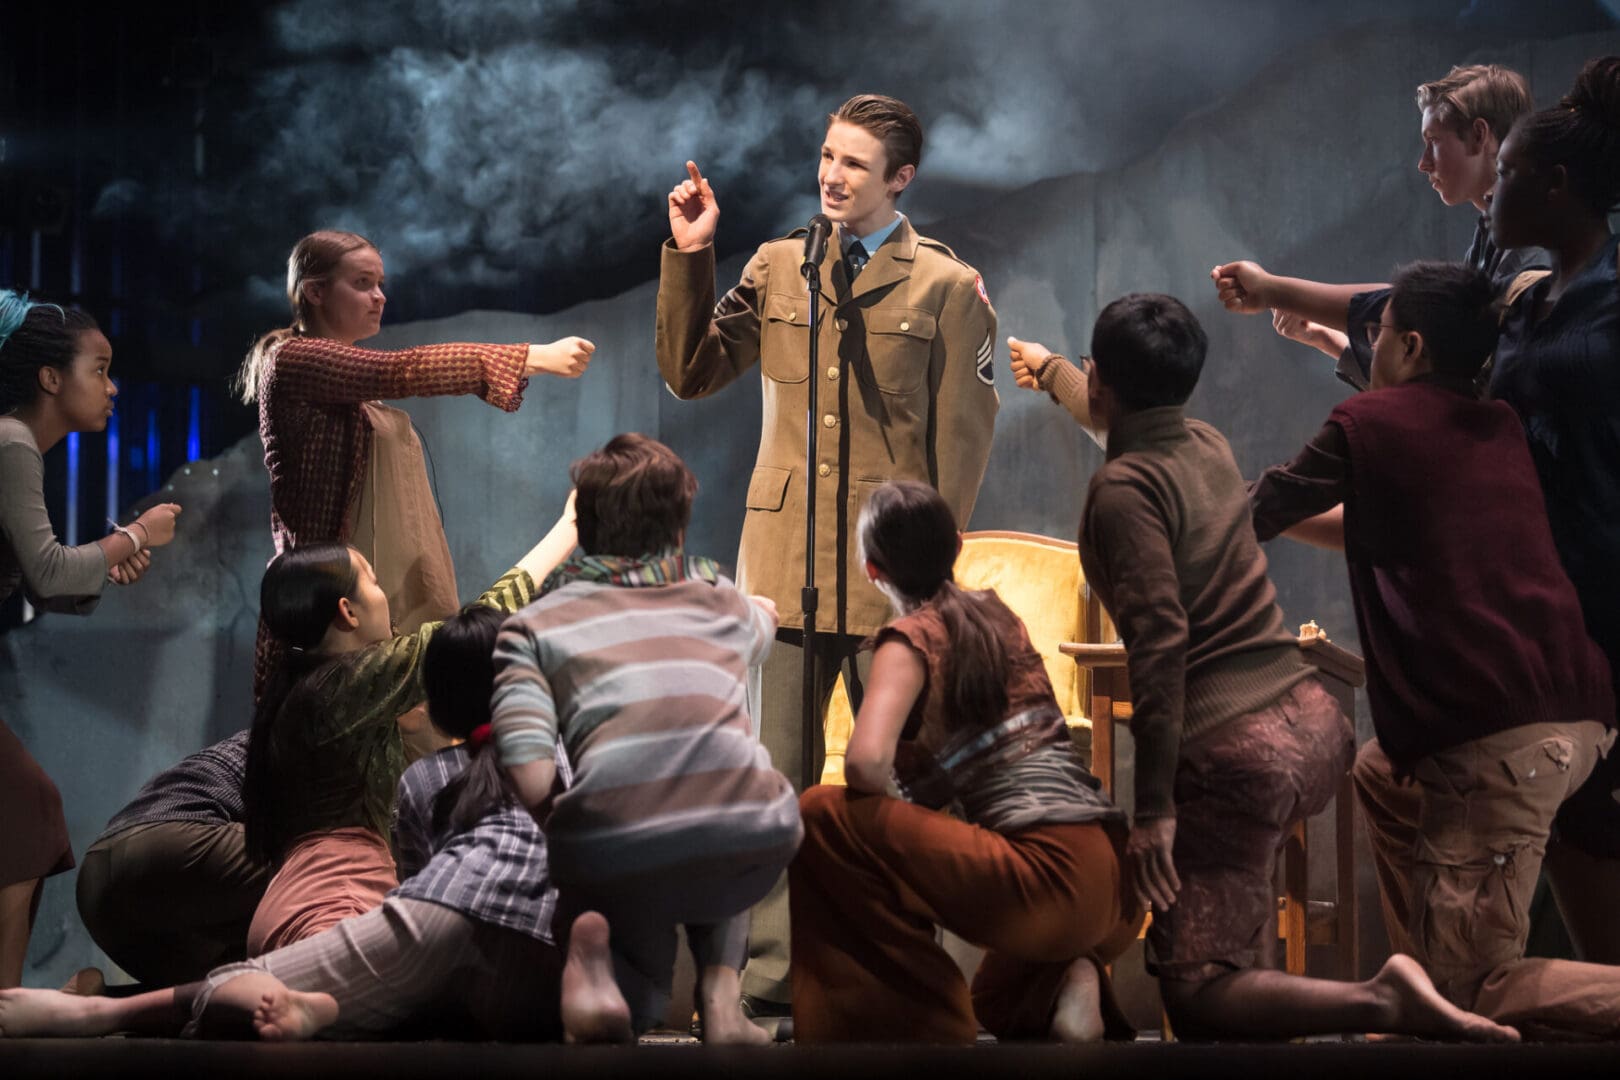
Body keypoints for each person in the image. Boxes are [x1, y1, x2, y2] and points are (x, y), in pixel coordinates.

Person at [1064, 292, 1517, 1041]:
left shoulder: (1122, 491)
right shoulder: (1205, 444)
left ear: (1099, 379)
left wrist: (1154, 813)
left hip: (1233, 755)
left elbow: (1161, 643)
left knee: (1200, 990)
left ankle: (1381, 1000)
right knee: (1236, 932)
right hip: (1308, 726)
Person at [657, 93, 999, 1025]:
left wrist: (928, 580)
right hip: (781, 570)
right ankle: (770, 982)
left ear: (901, 179)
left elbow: (962, 442)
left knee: (903, 793)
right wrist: (694, 255)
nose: (831, 176)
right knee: (774, 791)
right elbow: (690, 372)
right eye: (826, 157)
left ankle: (905, 977)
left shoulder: (943, 287)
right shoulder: (775, 268)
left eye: (853, 163)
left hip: (887, 582)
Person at [1249, 260, 1620, 1040]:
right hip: (1579, 720)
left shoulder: (1369, 427)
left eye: (1376, 336)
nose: (1369, 350)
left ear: (1411, 346)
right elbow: (1361, 518)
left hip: (1498, 745)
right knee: (1383, 776)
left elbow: (1262, 508)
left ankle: (1440, 997)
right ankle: (1429, 981)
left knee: (1474, 990)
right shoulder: (1493, 423)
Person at [0, 607, 579, 1042]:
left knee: (274, 976)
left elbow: (420, 892)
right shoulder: (552, 753)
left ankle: (111, 1011)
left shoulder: (414, 770)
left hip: (413, 908)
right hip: (193, 848)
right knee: (435, 994)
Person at [789, 480, 1140, 1044]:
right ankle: (1075, 980)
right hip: (1116, 885)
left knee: (821, 811)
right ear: (957, 546)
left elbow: (863, 766)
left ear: (871, 569)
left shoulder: (907, 641)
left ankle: (906, 1025)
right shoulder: (1001, 617)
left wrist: (905, 832)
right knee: (997, 1001)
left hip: (1047, 883)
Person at [491, 434, 800, 1043]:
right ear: (680, 533)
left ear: (582, 529)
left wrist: (579, 835)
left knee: (616, 878)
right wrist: (749, 608)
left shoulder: (530, 628)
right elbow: (765, 619)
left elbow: (528, 774)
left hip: (616, 851)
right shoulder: (721, 603)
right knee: (721, 799)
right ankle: (721, 998)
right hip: (755, 837)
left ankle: (596, 967)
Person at [238, 229, 595, 714]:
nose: (379, 296)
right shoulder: (293, 361)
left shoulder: (352, 386)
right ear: (315, 291)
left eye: (381, 283)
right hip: (335, 614)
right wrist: (531, 357)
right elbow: (403, 370)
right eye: (362, 282)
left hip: (390, 595)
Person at [240, 491, 578, 958]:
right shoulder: (343, 685)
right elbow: (468, 632)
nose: (387, 597)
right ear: (347, 610)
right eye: (374, 583)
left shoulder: (308, 690)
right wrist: (570, 528)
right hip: (332, 904)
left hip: (305, 895)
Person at [1481, 56, 1620, 967]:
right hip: (1551, 616)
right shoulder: (1538, 300)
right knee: (1578, 831)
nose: (1495, 187)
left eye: (1507, 173)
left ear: (1557, 186)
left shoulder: (1606, 311)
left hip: (1607, 608)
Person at [0, 291, 181, 988]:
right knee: (28, 810)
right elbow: (48, 569)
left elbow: (45, 586)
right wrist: (128, 538)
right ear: (51, 378)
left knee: (26, 811)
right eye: (98, 369)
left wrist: (109, 559)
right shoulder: (12, 441)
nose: (112, 387)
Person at [1209, 63, 1544, 390]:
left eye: (1434, 141)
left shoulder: (1530, 238)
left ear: (1478, 135)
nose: (1423, 162)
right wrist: (1322, 336)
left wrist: (1272, 290)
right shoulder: (1495, 235)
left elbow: (1432, 325)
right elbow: (1440, 368)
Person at [76, 731, 270, 987]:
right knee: (324, 861)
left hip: (98, 884)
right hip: (174, 845)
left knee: (228, 988)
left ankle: (88, 1003)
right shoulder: (304, 727)